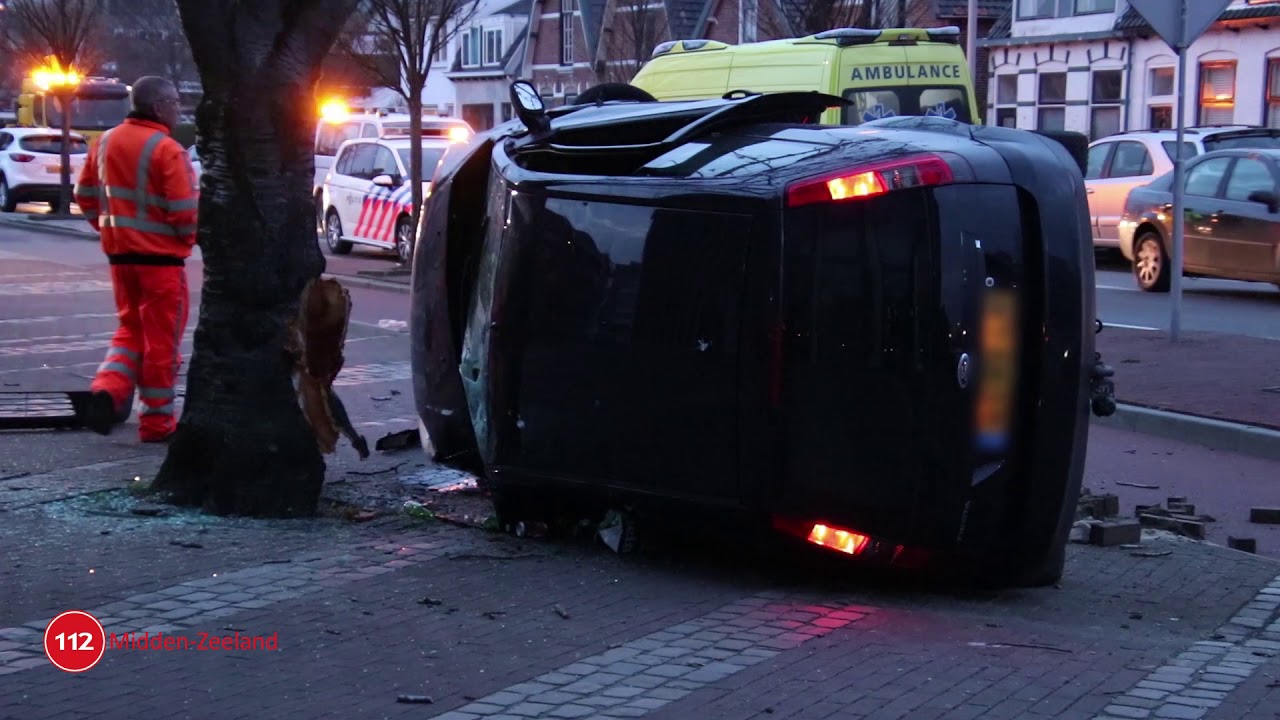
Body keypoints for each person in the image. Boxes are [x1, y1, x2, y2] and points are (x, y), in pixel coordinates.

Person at [73, 76, 199, 442]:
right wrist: (186, 240)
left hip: (121, 258)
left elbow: (84, 194)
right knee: (162, 345)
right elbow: (184, 212)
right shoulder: (167, 150)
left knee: (130, 333)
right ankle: (157, 424)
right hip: (160, 264)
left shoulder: (105, 141)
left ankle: (107, 391)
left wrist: (110, 229)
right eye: (175, 101)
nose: (179, 108)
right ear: (159, 107)